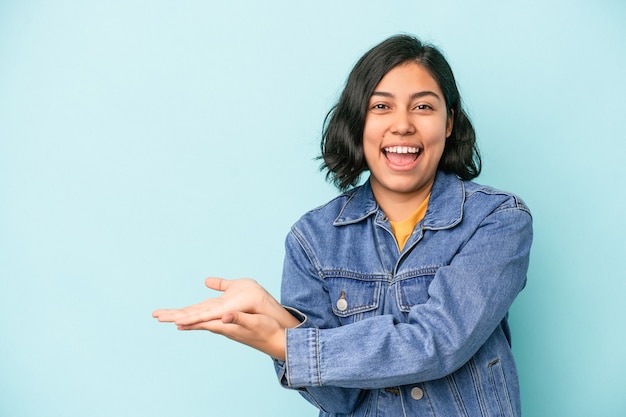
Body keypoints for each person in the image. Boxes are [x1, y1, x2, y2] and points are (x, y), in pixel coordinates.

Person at [153, 34, 533, 417]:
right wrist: (277, 319)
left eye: (422, 107)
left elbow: (437, 341)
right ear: (358, 121)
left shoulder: (497, 220)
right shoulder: (312, 239)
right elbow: (340, 398)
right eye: (381, 106)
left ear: (448, 123)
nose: (402, 125)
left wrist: (285, 344)